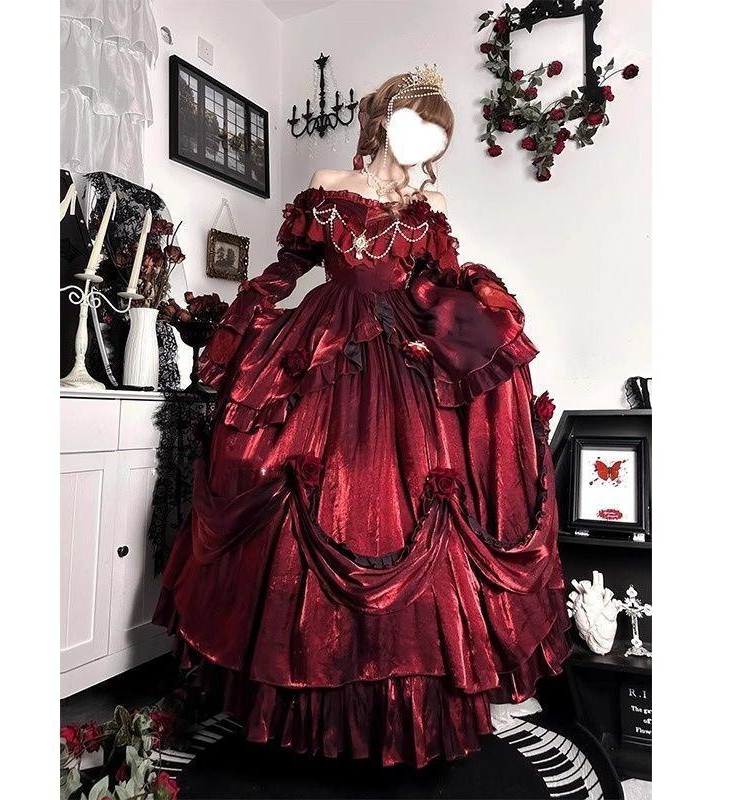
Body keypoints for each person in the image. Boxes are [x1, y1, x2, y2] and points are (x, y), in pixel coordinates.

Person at [153, 65, 570, 769]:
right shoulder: (328, 184)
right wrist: (245, 319)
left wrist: (481, 305)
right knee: (298, 485)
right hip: (325, 341)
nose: (425, 149)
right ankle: (302, 702)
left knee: (408, 495)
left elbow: (438, 282)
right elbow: (291, 266)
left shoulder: (429, 202)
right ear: (384, 123)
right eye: (418, 130)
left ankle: (403, 710)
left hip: (402, 349)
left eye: (436, 139)